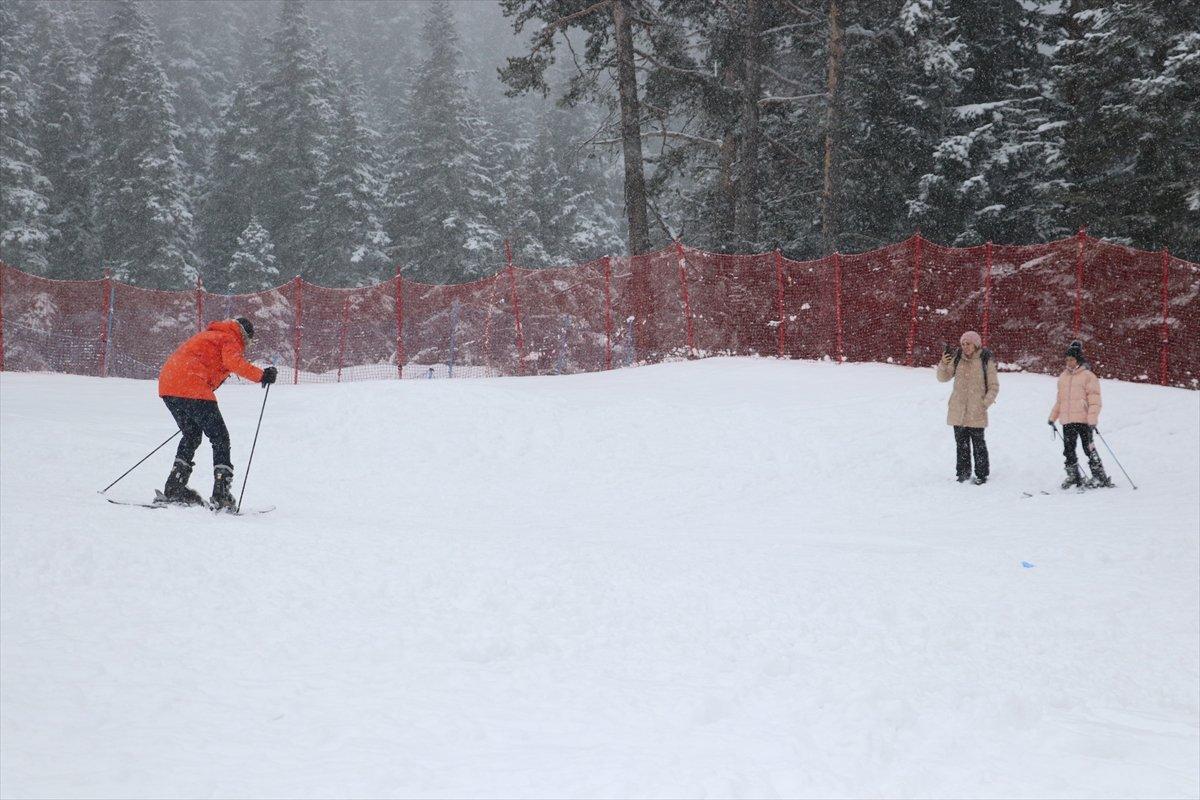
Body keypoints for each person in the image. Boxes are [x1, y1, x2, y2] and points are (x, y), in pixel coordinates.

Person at [157, 317, 277, 509]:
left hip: (169, 385)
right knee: (220, 438)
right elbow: (233, 362)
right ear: (245, 335)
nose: (247, 345)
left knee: (191, 435)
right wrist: (262, 375)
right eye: (250, 341)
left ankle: (175, 488)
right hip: (192, 387)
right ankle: (221, 494)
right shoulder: (229, 338)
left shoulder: (211, 335)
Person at [936, 330, 999, 484]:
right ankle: (963, 473)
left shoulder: (985, 360)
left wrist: (984, 404)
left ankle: (981, 474)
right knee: (961, 445)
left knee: (979, 445)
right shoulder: (957, 359)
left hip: (976, 410)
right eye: (963, 344)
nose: (965, 347)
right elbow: (942, 378)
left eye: (968, 344)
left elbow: (994, 386)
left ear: (976, 344)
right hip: (958, 410)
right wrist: (943, 363)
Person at [1048, 340, 1112, 489]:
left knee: (1088, 448)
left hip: (1084, 420)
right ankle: (1074, 476)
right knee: (1068, 450)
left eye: (1071, 359)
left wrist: (1092, 418)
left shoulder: (1088, 376)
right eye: (1067, 359)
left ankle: (1099, 476)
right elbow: (1060, 400)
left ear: (1078, 360)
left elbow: (1095, 400)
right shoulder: (1063, 377)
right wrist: (1053, 417)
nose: (1068, 362)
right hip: (1068, 420)